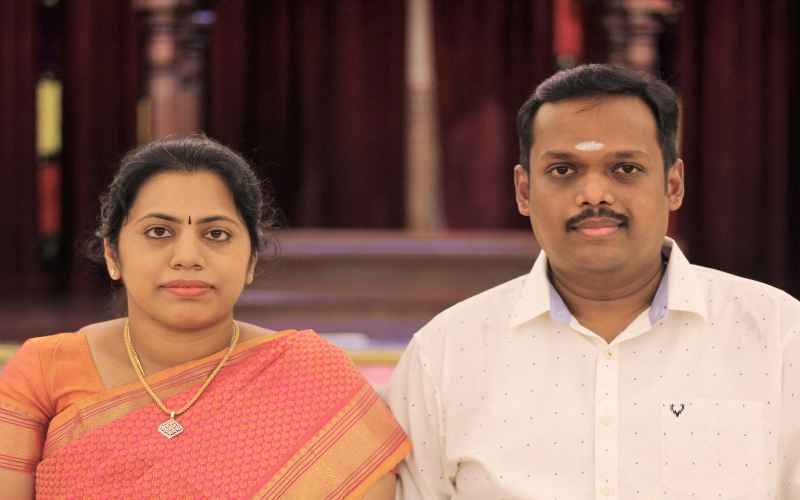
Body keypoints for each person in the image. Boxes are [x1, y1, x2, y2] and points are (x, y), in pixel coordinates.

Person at [388, 64, 800, 499]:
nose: (595, 195)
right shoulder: (445, 354)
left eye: (625, 168)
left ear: (673, 185)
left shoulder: (781, 337)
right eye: (563, 171)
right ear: (524, 191)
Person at [0, 135, 409, 499]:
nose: (187, 257)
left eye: (216, 234)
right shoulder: (44, 371)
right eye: (159, 232)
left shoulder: (313, 377)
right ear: (112, 255)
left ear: (251, 261)